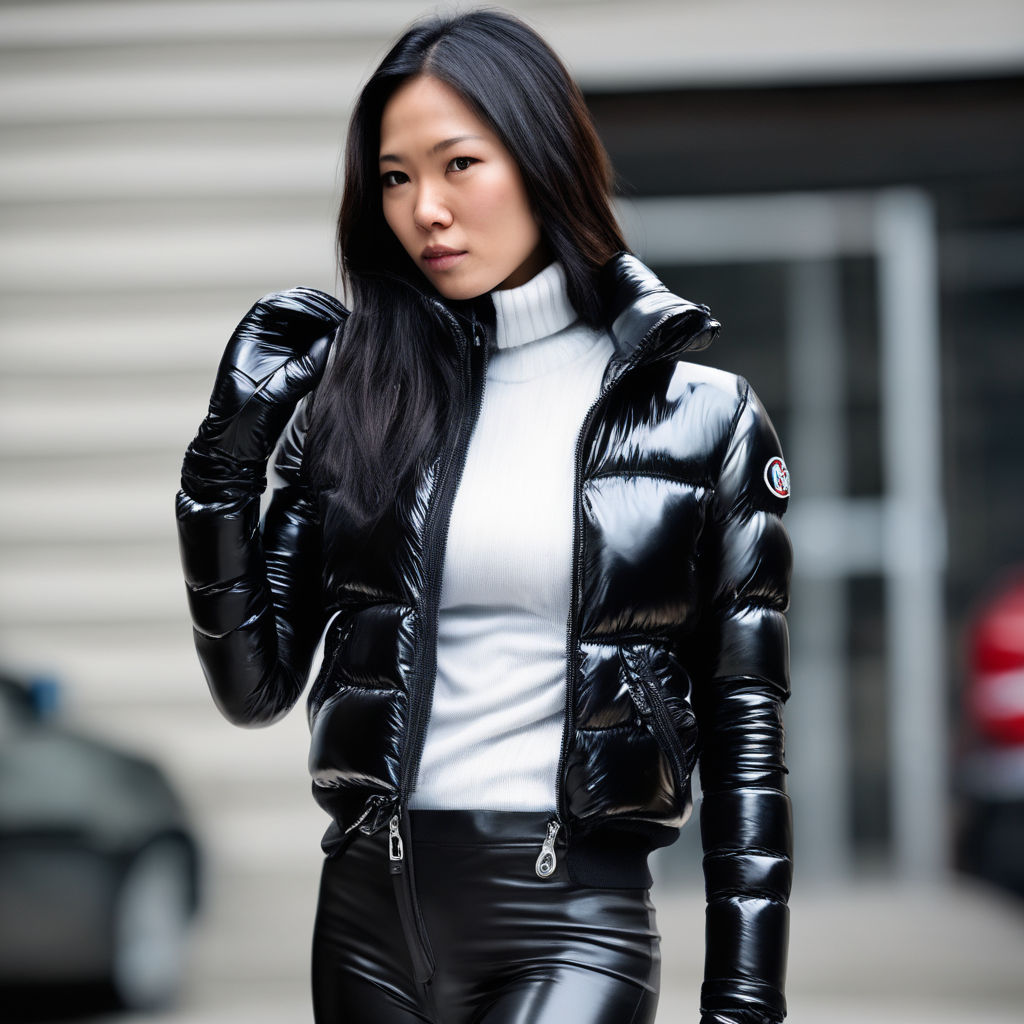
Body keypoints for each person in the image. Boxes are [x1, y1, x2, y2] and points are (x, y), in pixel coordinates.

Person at [175, 9, 793, 1024]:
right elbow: (254, 684)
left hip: (571, 922)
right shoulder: (366, 401)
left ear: (542, 157)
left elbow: (745, 736)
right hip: (368, 919)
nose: (425, 209)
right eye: (395, 176)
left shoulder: (702, 420)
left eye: (459, 163)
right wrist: (226, 463)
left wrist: (743, 1001)